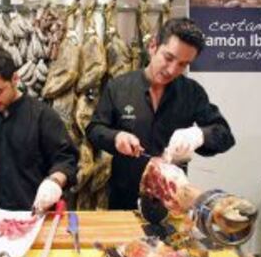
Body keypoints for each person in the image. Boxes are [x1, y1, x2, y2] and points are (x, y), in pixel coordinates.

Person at [85, 17, 235, 212]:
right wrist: (116, 137)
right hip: (124, 202)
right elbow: (94, 129)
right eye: (169, 58)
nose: (172, 70)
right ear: (153, 46)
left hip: (171, 201)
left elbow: (225, 136)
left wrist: (199, 136)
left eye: (183, 64)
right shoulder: (119, 87)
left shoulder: (192, 93)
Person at [0, 46, 78, 212]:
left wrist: (54, 182)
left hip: (36, 212)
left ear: (15, 79)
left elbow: (66, 160)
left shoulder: (42, 115)